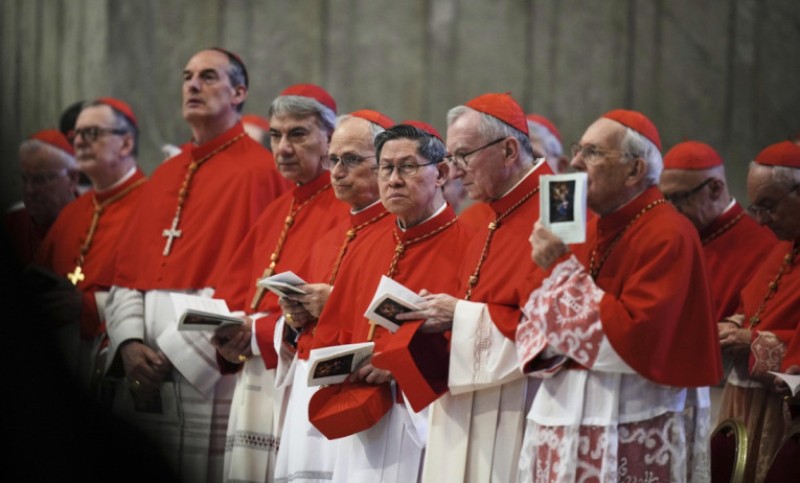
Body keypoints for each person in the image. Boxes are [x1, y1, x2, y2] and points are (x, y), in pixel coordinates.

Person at [103, 48, 288, 482]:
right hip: (140, 370)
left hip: (206, 365)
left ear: (239, 91)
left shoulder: (261, 172)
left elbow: (254, 280)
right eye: (187, 76)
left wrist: (169, 355)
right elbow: (127, 273)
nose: (192, 85)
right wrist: (129, 345)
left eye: (207, 76)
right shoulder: (166, 174)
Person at [516, 109, 722, 481]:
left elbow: (634, 339)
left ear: (635, 170)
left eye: (593, 152)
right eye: (578, 149)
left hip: (629, 414)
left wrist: (561, 267)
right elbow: (534, 323)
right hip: (567, 410)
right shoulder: (591, 230)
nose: (576, 161)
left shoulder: (668, 233)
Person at [391, 93, 552, 483]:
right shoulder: (492, 214)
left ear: (509, 149)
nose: (454, 170)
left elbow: (554, 329)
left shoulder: (556, 210)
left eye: (463, 155)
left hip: (522, 406)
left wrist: (458, 316)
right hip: (471, 406)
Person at [307, 123, 473, 483]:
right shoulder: (366, 244)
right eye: (386, 168)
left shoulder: (468, 246)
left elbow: (472, 340)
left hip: (427, 421)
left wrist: (401, 364)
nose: (394, 179)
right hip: (360, 417)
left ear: (441, 173)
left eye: (407, 167)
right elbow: (335, 331)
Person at [211, 84, 349, 482]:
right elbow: (235, 290)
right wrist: (224, 330)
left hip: (298, 377)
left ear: (330, 137)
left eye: (298, 134)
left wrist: (256, 332)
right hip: (255, 374)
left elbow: (332, 307)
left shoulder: (345, 209)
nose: (283, 148)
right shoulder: (279, 207)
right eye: (275, 135)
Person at [268, 109, 395, 483]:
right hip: (309, 393)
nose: (337, 171)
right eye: (333, 159)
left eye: (351, 159)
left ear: (383, 164)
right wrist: (293, 317)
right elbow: (305, 330)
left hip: (358, 400)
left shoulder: (398, 233)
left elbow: (402, 323)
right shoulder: (331, 237)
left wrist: (335, 304)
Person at [35, 98, 147, 388]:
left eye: (92, 133)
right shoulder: (73, 211)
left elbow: (156, 292)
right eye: (76, 135)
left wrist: (86, 306)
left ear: (125, 144)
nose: (80, 142)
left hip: (115, 356)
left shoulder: (153, 203)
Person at [717, 140, 800, 482]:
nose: (762, 221)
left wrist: (752, 341)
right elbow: (755, 304)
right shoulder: (784, 246)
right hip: (749, 407)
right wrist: (734, 324)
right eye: (757, 208)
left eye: (769, 206)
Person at [660, 141, 777, 321]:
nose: (672, 209)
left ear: (716, 188)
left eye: (680, 197)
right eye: (665, 198)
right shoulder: (671, 236)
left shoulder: (765, 247)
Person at [459, 113, 565, 230]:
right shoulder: (471, 219)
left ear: (561, 166)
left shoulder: (564, 205)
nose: (519, 166)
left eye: (534, 158)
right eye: (512, 156)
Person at [4, 130, 79, 265]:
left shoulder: (98, 231)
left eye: (40, 180)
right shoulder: (11, 225)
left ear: (72, 179)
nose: (29, 190)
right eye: (24, 179)